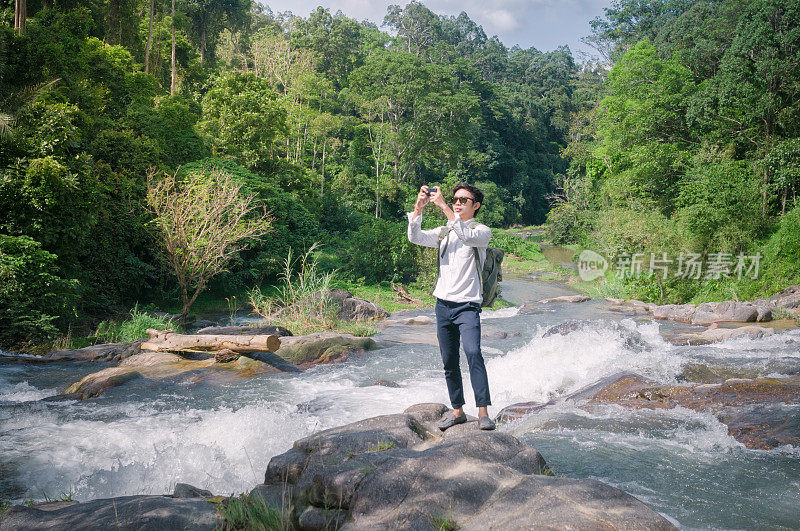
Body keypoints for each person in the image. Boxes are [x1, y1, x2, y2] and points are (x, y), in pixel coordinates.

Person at [407, 183, 495, 431]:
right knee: (449, 360)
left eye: (463, 200)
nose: (457, 203)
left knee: (473, 353)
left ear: (475, 206)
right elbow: (415, 237)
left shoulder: (482, 232)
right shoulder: (445, 232)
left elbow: (465, 236)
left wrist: (444, 207)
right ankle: (457, 411)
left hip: (467, 306)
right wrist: (418, 208)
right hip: (443, 305)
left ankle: (483, 413)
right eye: (455, 199)